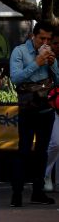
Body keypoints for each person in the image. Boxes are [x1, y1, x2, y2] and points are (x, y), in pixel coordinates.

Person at [9, 21, 58, 207]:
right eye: (41, 38)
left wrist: (52, 65)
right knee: (24, 150)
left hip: (46, 108)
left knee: (42, 152)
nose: (45, 42)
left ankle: (38, 192)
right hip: (28, 108)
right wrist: (37, 63)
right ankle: (17, 193)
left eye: (48, 39)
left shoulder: (50, 53)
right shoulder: (20, 52)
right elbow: (16, 78)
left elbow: (58, 79)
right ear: (33, 36)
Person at [44, 30, 59, 192]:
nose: (57, 46)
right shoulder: (45, 58)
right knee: (55, 142)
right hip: (52, 106)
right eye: (54, 43)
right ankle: (46, 174)